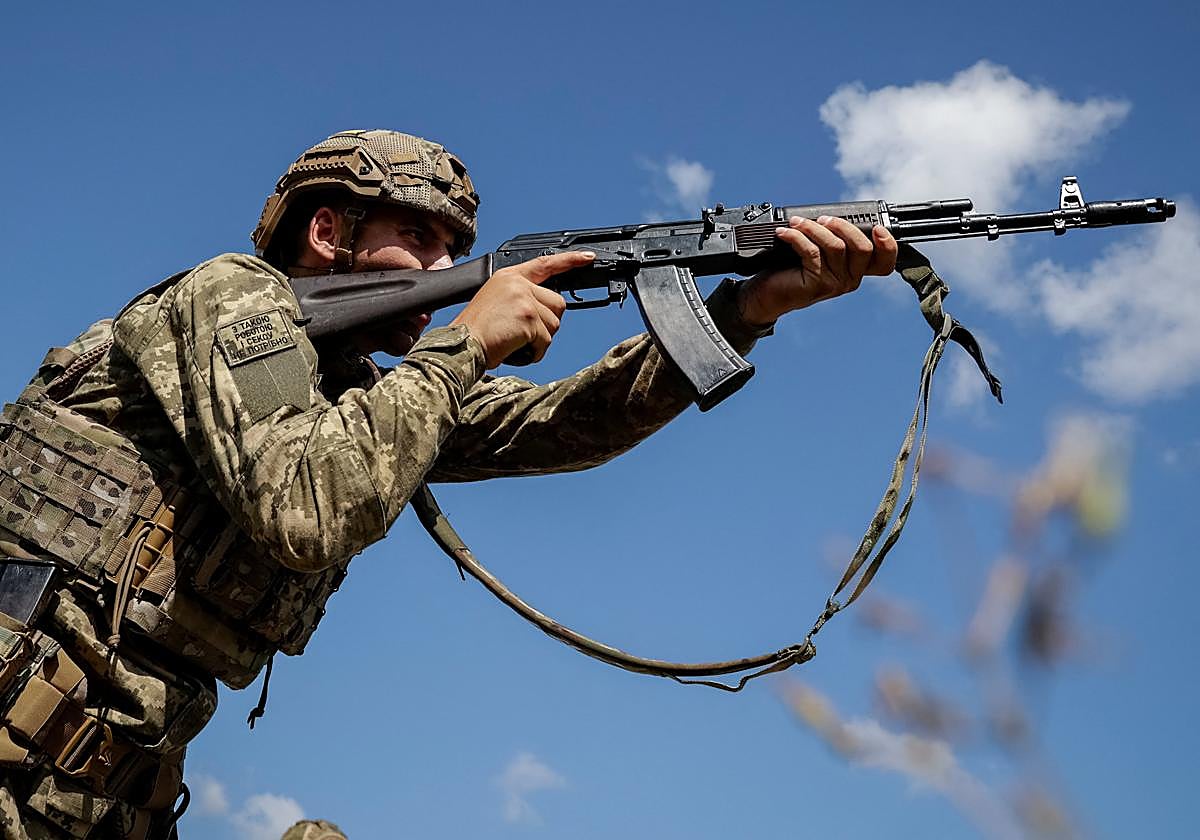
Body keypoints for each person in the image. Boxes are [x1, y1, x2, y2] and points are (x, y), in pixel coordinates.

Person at [0, 129, 896, 839]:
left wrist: (746, 310)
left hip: (99, 795)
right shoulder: (231, 296)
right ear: (327, 232)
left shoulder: (370, 395)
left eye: (456, 249)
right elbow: (305, 505)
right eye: (418, 237)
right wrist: (469, 341)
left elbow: (564, 425)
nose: (440, 271)